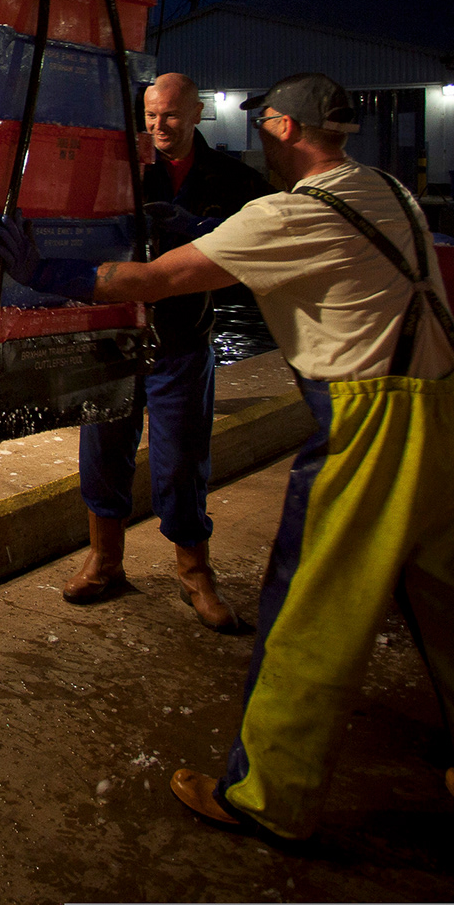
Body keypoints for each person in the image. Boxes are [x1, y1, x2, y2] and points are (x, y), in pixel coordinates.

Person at [0, 72, 454, 850]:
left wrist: (43, 270)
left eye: (263, 124)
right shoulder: (389, 190)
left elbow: (155, 279)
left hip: (376, 423)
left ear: (283, 126)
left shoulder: (289, 212)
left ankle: (269, 796)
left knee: (310, 613)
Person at [63, 72, 271, 630]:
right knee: (102, 452)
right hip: (111, 337)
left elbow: (262, 246)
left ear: (198, 113)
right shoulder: (119, 170)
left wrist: (201, 229)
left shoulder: (233, 180)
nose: (160, 126)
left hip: (181, 340)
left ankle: (194, 572)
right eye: (151, 115)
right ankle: (104, 559)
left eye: (172, 115)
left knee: (181, 459)